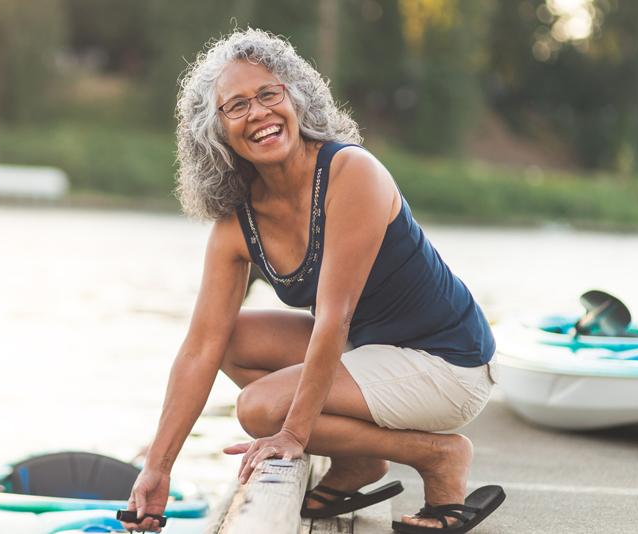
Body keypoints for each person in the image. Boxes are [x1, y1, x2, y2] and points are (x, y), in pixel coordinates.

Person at [122, 28, 504, 534]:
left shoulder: (352, 172)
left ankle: (438, 457)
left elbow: (334, 318)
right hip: (370, 352)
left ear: (295, 96)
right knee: (229, 339)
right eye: (236, 106)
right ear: (214, 131)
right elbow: (200, 350)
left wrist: (292, 434)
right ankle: (360, 460)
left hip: (449, 364)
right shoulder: (237, 224)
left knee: (260, 410)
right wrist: (158, 466)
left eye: (268, 94)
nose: (257, 112)